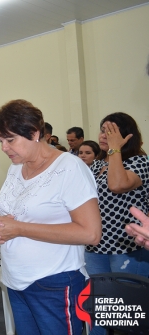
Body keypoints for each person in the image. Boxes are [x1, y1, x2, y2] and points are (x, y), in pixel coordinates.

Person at [0, 99, 102, 335]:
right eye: (0, 141)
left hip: (54, 282)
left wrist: (17, 229)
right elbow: (16, 213)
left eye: (10, 140)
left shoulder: (69, 167)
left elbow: (90, 233)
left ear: (35, 133)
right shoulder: (17, 166)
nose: (4, 148)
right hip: (16, 279)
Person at [84, 112, 149, 335]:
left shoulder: (139, 162)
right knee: (99, 305)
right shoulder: (96, 165)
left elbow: (118, 185)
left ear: (126, 136)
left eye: (111, 131)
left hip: (127, 245)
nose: (104, 135)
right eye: (103, 130)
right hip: (96, 244)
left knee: (128, 310)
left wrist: (114, 150)